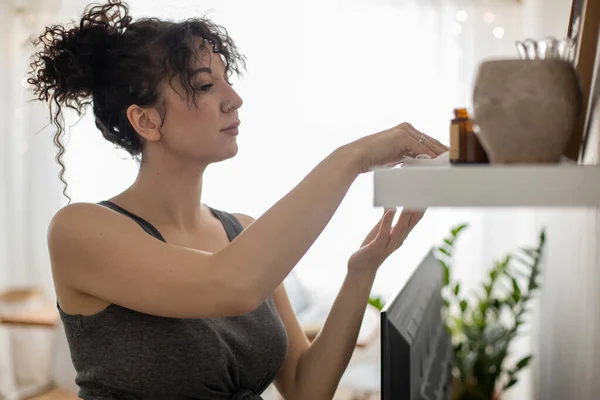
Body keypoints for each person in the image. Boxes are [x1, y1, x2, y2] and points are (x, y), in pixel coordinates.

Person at [28, 1, 447, 399]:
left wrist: (362, 271)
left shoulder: (240, 232)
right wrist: (351, 158)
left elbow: (306, 388)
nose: (234, 98)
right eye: (207, 85)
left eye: (228, 78)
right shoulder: (79, 231)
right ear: (146, 120)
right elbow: (230, 284)